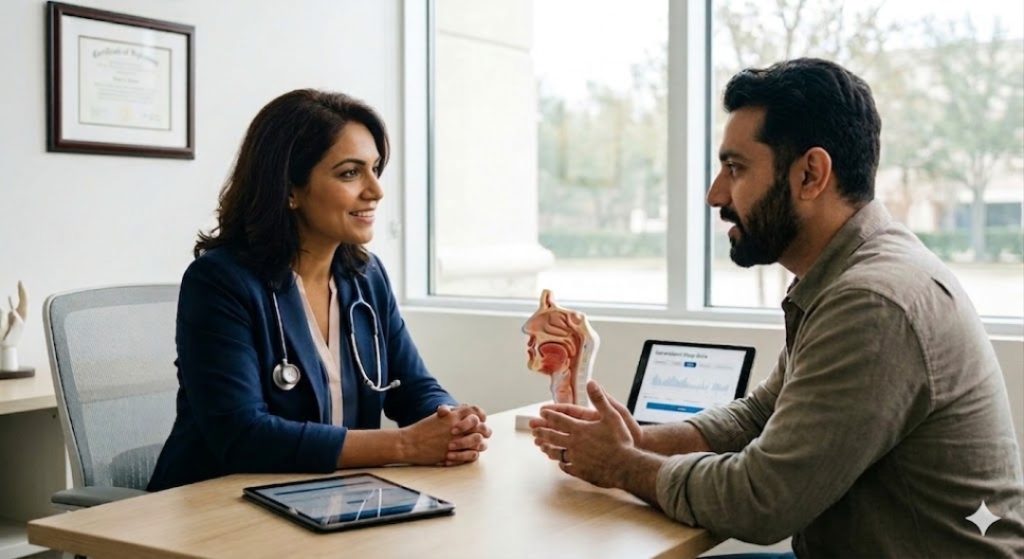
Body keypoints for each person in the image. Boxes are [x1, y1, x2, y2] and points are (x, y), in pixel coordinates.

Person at [530, 58, 1024, 557]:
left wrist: (622, 465)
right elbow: (762, 416)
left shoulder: (872, 302)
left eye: (736, 168)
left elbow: (761, 500)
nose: (715, 194)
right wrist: (641, 440)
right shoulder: (847, 274)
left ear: (811, 174)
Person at [149, 89, 491, 491]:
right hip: (218, 506)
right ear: (290, 189)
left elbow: (412, 387)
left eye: (375, 169)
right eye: (350, 173)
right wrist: (404, 444)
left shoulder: (366, 276)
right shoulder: (220, 282)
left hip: (330, 499)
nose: (375, 190)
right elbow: (243, 435)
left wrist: (451, 422)